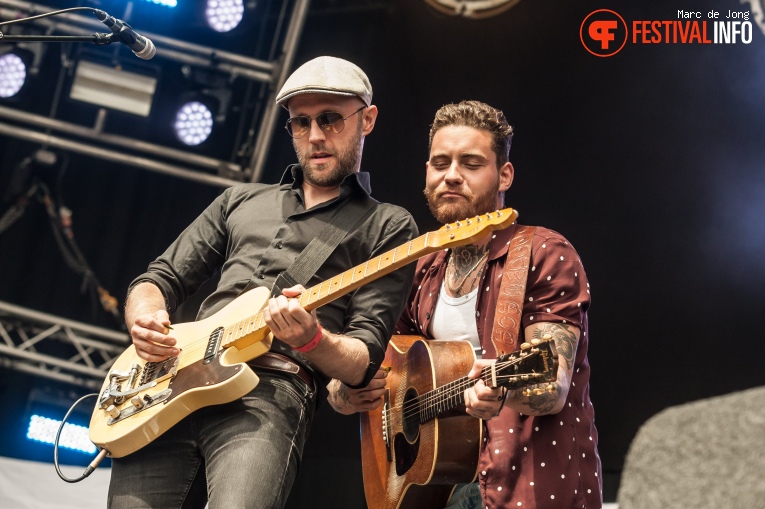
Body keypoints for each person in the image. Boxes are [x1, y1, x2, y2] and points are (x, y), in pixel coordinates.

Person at [107, 56, 418, 509]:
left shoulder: (388, 225)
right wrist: (146, 318)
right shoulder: (240, 199)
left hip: (270, 391)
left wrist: (313, 339)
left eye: (331, 119)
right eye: (301, 123)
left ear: (366, 119)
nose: (315, 136)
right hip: (168, 386)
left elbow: (361, 361)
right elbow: (159, 278)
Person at [328, 100, 602, 509]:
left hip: (525, 482)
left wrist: (502, 393)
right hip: (441, 487)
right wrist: (348, 391)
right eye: (441, 163)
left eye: (471, 164)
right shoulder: (421, 268)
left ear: (504, 174)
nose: (451, 176)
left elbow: (553, 387)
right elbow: (372, 361)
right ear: (427, 173)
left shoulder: (544, 252)